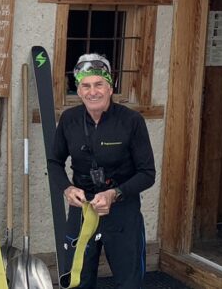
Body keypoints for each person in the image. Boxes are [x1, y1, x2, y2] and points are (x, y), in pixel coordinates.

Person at [47, 54, 156, 288]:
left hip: (122, 211)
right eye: (85, 85)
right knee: (78, 280)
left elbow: (147, 173)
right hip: (83, 208)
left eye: (98, 84)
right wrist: (67, 188)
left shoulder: (131, 121)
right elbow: (54, 161)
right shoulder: (69, 120)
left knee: (128, 281)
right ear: (78, 89)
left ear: (110, 87)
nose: (92, 91)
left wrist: (114, 194)